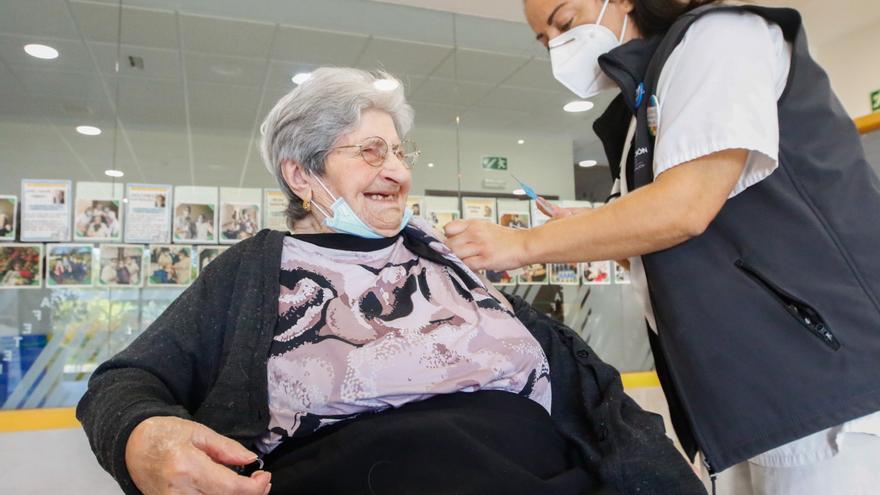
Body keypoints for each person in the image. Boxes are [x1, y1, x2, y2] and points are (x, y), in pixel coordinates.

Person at [77, 67, 703, 495]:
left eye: (401, 153)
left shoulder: (451, 259)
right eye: (370, 152)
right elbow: (124, 383)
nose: (397, 172)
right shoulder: (251, 273)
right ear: (301, 175)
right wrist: (141, 437)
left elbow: (593, 391)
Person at [444, 1, 880, 493]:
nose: (560, 48)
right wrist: (600, 231)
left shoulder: (721, 37)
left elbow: (685, 207)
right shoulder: (640, 112)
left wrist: (522, 244)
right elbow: (666, 237)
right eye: (547, 41)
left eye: (565, 23)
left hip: (822, 385)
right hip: (740, 398)